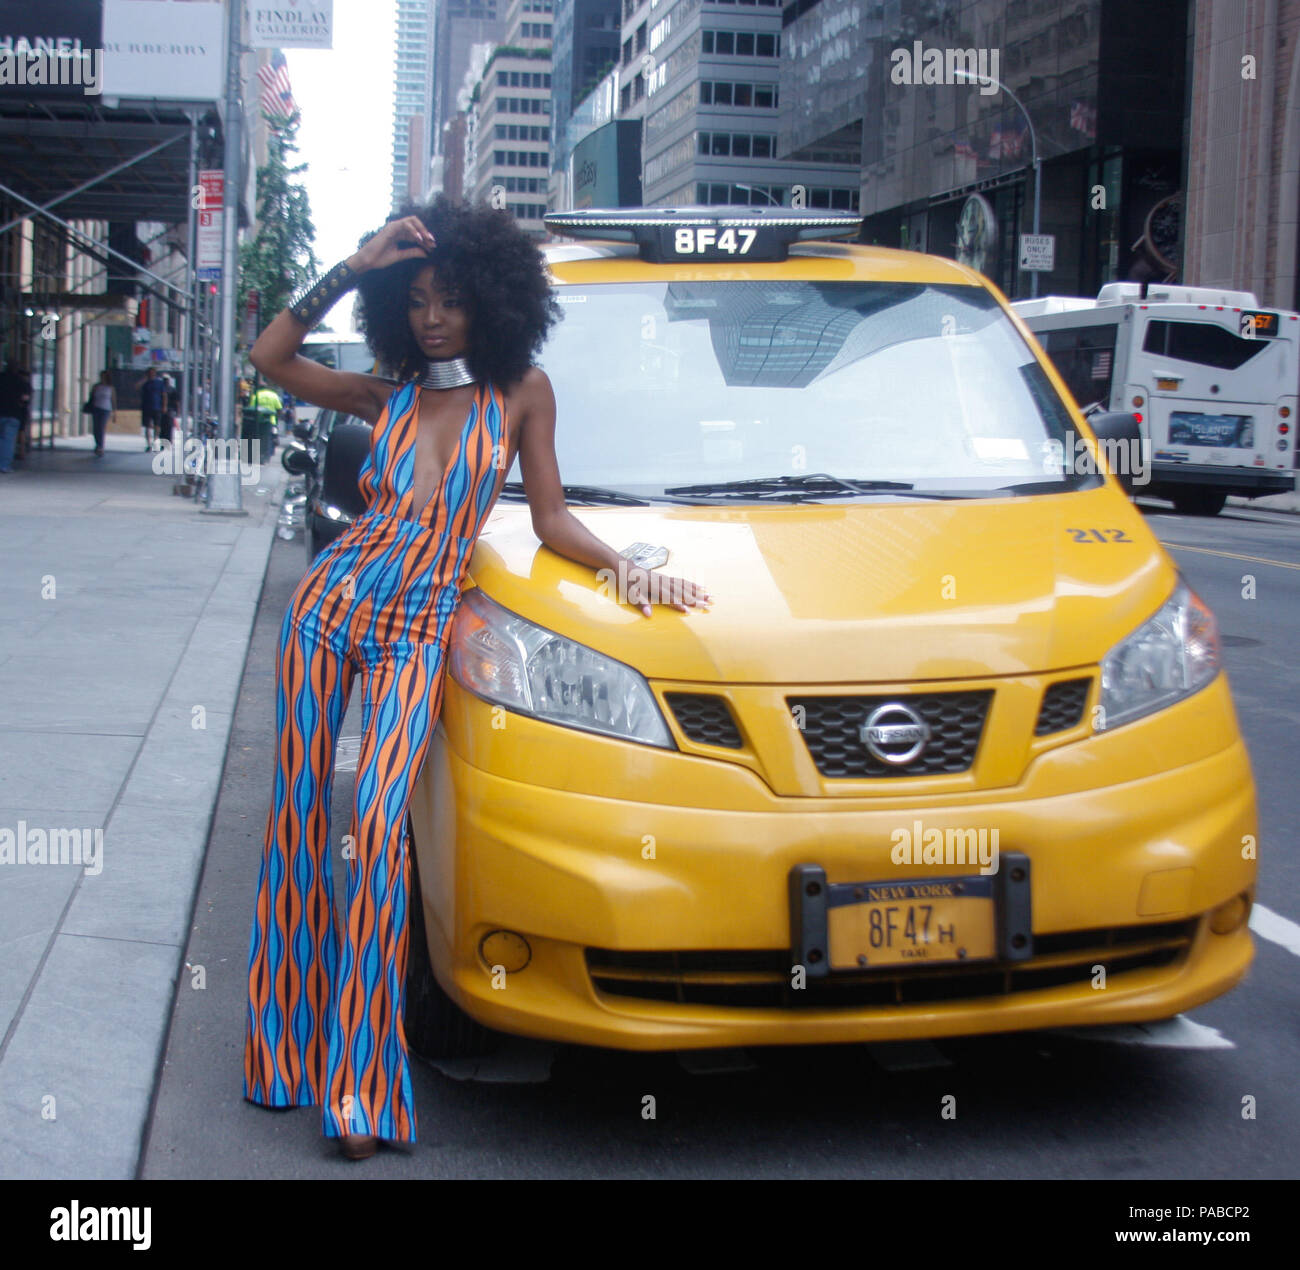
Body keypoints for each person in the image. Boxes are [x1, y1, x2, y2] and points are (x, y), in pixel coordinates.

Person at [241, 198, 713, 1161]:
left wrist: (635, 571)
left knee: (377, 835)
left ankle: (361, 1087)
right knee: (297, 817)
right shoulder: (387, 393)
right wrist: (352, 259)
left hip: (418, 626)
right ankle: (282, 1053)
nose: (431, 317)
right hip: (329, 610)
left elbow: (551, 521)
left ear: (490, 303)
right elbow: (270, 359)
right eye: (413, 299)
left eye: (449, 299)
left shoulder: (522, 393)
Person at [0, 358, 31, 473]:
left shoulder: (1, 378)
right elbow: (25, 398)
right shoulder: (21, 382)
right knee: (8, 441)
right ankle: (4, 465)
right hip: (13, 414)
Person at [138, 366, 165, 450]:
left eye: (152, 373)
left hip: (157, 406)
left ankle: (155, 440)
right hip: (146, 406)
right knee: (147, 426)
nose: (151, 374)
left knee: (157, 425)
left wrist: (164, 406)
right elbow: (136, 387)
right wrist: (144, 379)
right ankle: (148, 444)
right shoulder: (145, 382)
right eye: (149, 373)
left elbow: (164, 395)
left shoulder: (159, 382)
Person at [89, 370, 115, 457]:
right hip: (96, 408)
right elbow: (91, 397)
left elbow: (113, 400)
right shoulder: (96, 386)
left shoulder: (110, 388)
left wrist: (114, 412)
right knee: (96, 428)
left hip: (106, 409)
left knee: (101, 427)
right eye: (101, 376)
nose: (102, 378)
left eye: (104, 376)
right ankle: (98, 444)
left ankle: (100, 446)